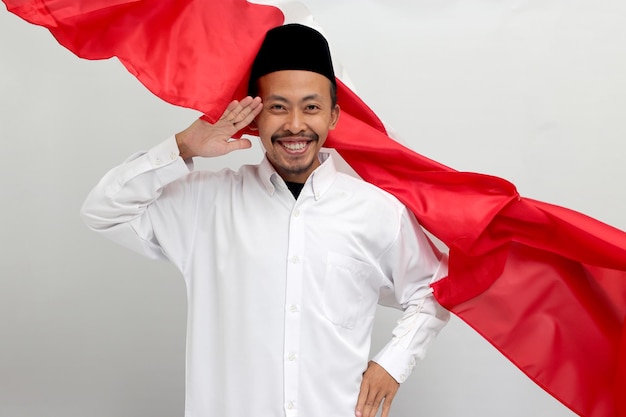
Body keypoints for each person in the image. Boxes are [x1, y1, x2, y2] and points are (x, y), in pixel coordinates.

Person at [81, 23, 450, 417]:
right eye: (278, 106)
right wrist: (184, 146)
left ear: (333, 116)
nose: (295, 124)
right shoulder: (205, 203)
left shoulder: (377, 211)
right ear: (255, 116)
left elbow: (434, 288)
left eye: (311, 107)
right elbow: (104, 210)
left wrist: (393, 363)